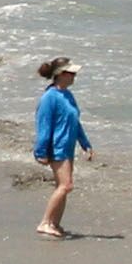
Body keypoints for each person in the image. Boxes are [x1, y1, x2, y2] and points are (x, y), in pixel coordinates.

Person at [34, 60, 93, 238]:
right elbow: (43, 125)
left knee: (63, 186)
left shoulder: (67, 95)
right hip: (56, 147)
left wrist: (85, 143)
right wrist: (41, 151)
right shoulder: (49, 97)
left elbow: (75, 121)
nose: (74, 76)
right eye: (71, 73)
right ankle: (45, 222)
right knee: (66, 186)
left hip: (68, 146)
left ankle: (55, 224)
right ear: (60, 74)